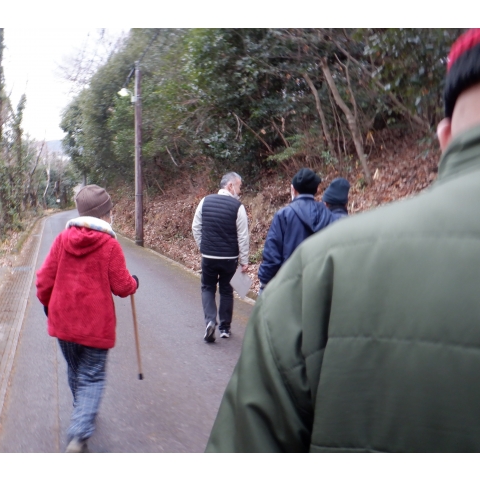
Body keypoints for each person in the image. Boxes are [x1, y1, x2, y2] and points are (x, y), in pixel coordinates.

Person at [206, 29, 480, 452]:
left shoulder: (311, 268)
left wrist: (265, 289)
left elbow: (270, 258)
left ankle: (219, 322)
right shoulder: (334, 226)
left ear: (444, 138)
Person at [36, 184, 138, 453]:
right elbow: (122, 286)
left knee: (75, 368)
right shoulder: (109, 245)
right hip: (95, 326)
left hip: (64, 323)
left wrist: (47, 304)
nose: (111, 215)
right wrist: (134, 283)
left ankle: (81, 408)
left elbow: (44, 280)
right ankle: (79, 432)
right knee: (92, 376)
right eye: (110, 211)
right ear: (104, 214)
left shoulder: (62, 240)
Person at [192, 172, 249, 342]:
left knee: (207, 288)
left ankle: (210, 321)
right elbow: (243, 236)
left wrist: (203, 247)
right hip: (229, 258)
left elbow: (196, 227)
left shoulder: (205, 201)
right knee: (226, 290)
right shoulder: (238, 207)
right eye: (239, 186)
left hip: (209, 256)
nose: (240, 191)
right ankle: (224, 328)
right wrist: (244, 261)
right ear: (230, 186)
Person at [257, 168, 334, 293]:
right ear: (316, 190)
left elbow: (272, 254)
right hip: (319, 285)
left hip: (290, 285)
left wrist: (265, 282)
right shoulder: (327, 214)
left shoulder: (284, 215)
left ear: (293, 189)